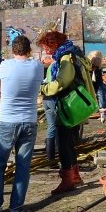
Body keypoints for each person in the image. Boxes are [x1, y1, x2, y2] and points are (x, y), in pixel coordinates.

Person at [0, 35, 44, 212]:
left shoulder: (5, 65)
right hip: (29, 120)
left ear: (13, 50)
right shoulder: (37, 66)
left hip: (7, 120)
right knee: (23, 166)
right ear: (29, 50)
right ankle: (16, 206)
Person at [37, 30, 89, 195]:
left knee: (63, 143)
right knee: (69, 142)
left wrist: (43, 88)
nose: (46, 51)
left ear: (54, 44)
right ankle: (75, 176)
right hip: (74, 105)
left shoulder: (66, 58)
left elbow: (61, 82)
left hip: (67, 105)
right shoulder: (73, 53)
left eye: (47, 47)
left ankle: (67, 181)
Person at [87, 51, 106, 121]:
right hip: (89, 81)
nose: (94, 68)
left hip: (95, 79)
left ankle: (102, 111)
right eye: (93, 66)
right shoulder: (86, 68)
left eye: (96, 67)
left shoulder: (98, 69)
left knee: (100, 91)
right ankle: (94, 110)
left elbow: (100, 87)